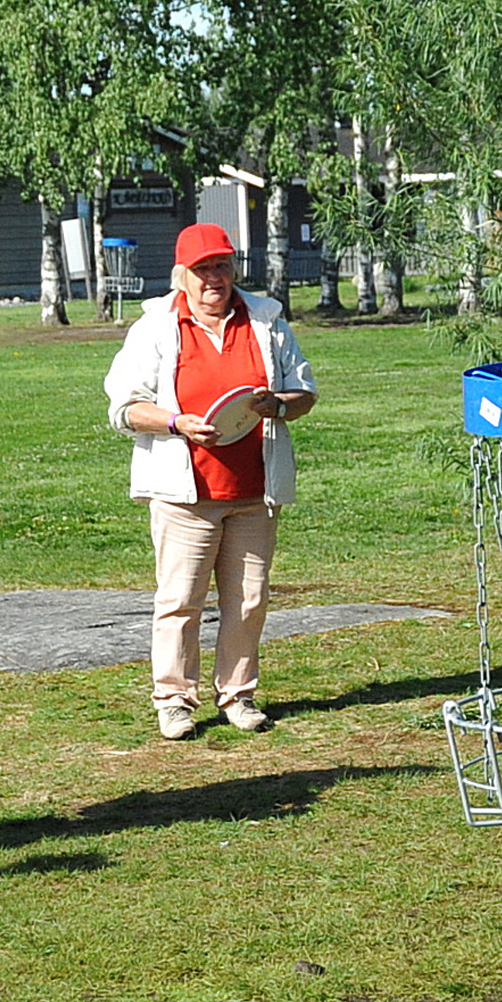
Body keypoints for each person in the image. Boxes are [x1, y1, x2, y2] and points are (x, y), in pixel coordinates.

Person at [104, 222, 319, 740]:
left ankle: (238, 695)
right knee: (180, 599)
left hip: (254, 489)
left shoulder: (266, 320)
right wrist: (177, 423)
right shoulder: (155, 327)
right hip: (185, 492)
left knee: (248, 599)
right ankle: (174, 700)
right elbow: (124, 407)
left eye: (221, 267)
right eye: (202, 270)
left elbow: (305, 391)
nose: (213, 280)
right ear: (182, 276)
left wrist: (278, 405)